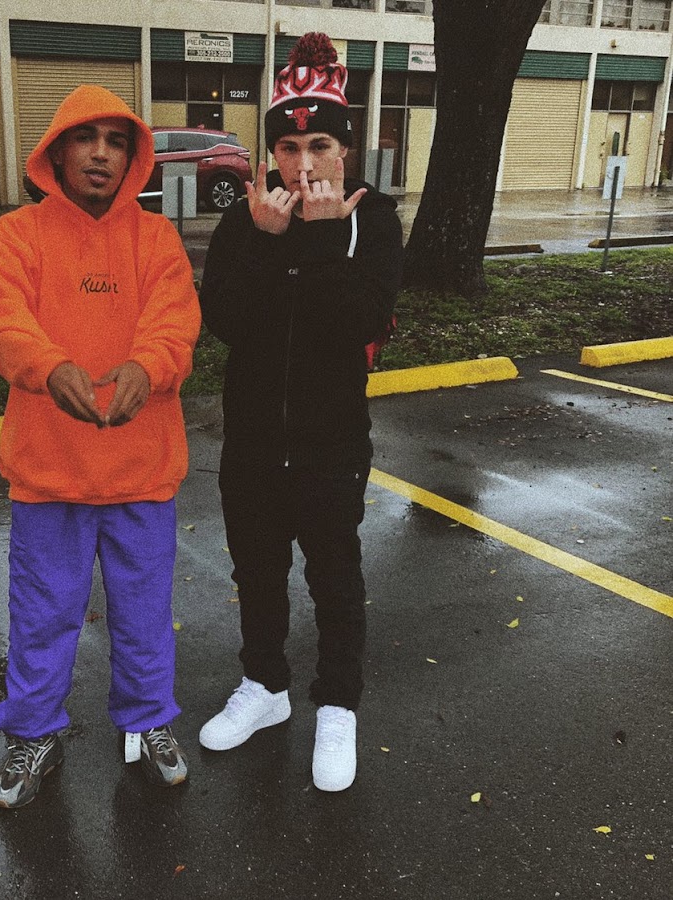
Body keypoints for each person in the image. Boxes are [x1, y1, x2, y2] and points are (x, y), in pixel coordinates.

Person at [0, 85, 201, 809]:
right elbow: (0, 319)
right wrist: (47, 367)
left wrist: (146, 368)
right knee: (42, 616)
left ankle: (146, 720)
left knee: (144, 613)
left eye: (116, 141)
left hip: (141, 470)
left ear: (133, 157)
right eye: (85, 138)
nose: (100, 153)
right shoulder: (18, 235)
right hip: (49, 472)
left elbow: (175, 325)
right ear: (57, 151)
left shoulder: (156, 239)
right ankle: (34, 733)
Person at [198, 33, 404, 792]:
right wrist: (265, 240)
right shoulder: (247, 219)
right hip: (253, 441)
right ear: (272, 153)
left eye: (319, 145)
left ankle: (338, 704)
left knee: (334, 577)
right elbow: (225, 320)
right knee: (257, 571)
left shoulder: (372, 221)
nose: (303, 164)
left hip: (330, 443)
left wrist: (318, 239)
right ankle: (265, 686)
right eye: (288, 147)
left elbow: (359, 322)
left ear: (345, 149)